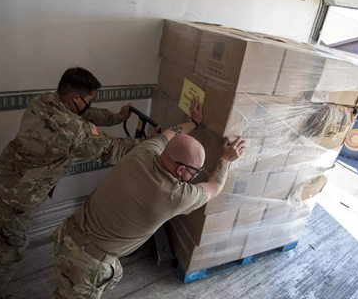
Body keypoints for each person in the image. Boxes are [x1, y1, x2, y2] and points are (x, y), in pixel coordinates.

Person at [0, 67, 143, 299]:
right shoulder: (68, 130)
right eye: (89, 99)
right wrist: (151, 143)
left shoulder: (45, 100)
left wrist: (117, 117)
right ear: (76, 97)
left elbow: (85, 115)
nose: (89, 104)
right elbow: (109, 149)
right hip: (14, 200)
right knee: (6, 254)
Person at [51, 97, 245, 299]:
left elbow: (169, 133)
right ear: (181, 170)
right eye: (195, 172)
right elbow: (214, 187)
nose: (195, 177)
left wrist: (194, 122)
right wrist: (225, 159)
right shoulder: (176, 195)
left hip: (67, 233)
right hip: (84, 264)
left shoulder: (144, 151)